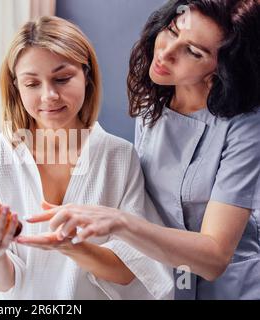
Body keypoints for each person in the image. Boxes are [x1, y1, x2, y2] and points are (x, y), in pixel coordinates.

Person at [27, 0, 260, 300]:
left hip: (229, 288)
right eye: (172, 31)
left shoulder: (245, 127)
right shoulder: (154, 104)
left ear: (222, 68)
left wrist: (120, 222)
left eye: (193, 51)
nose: (165, 52)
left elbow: (215, 257)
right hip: (167, 280)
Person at [0, 16, 173, 300]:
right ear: (16, 87)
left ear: (86, 74)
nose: (49, 95)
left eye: (62, 78)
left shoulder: (118, 157)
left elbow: (133, 270)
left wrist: (69, 246)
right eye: (32, 83)